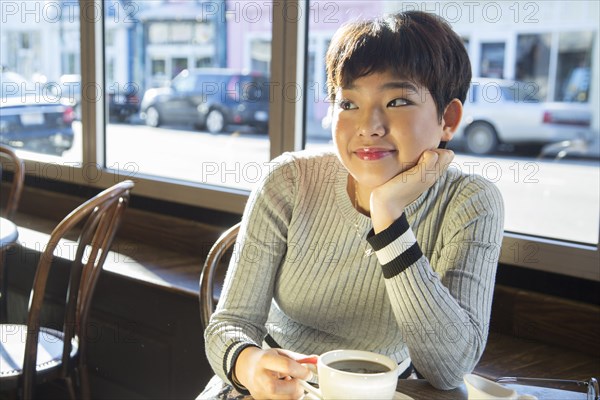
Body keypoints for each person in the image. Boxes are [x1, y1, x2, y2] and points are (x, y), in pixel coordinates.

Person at [201, 10, 504, 400]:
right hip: (278, 388)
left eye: (397, 100)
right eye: (348, 104)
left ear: (448, 118)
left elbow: (449, 368)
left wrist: (388, 215)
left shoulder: (471, 201)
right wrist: (250, 364)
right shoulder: (290, 181)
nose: (369, 125)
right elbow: (229, 323)